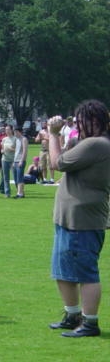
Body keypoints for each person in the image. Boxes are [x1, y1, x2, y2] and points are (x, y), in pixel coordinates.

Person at [47, 100, 110, 337]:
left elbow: (58, 163)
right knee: (63, 271)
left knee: (85, 273)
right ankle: (72, 315)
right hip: (71, 218)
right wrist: (69, 140)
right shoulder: (93, 143)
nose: (77, 125)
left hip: (82, 220)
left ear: (95, 121)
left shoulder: (97, 144)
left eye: (81, 120)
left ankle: (90, 322)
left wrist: (53, 135)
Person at [0, 124, 16, 197]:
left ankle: (19, 191)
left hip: (13, 160)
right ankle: (7, 193)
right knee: (6, 177)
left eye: (8, 129)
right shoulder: (4, 139)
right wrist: (2, 151)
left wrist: (10, 149)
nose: (7, 131)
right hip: (4, 159)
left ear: (12, 130)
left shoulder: (15, 139)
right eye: (6, 130)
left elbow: (18, 150)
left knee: (15, 176)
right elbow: (2, 149)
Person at [13, 126, 28, 198]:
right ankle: (20, 192)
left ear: (19, 132)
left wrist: (22, 160)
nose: (15, 133)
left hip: (20, 161)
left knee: (19, 178)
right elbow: (16, 151)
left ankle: (20, 194)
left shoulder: (24, 139)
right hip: (15, 161)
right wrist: (13, 161)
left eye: (16, 132)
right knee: (16, 178)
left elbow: (25, 151)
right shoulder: (16, 139)